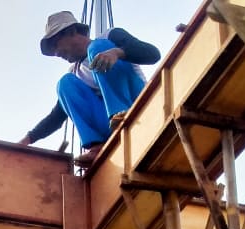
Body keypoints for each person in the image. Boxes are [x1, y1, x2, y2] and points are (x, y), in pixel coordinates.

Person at [19, 11, 160, 165]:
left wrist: (117, 52)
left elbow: (153, 54)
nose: (56, 53)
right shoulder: (76, 73)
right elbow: (57, 116)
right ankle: (96, 145)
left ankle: (121, 114)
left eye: (56, 45)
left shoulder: (109, 37)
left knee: (97, 47)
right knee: (65, 83)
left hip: (137, 105)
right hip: (109, 125)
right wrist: (27, 140)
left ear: (71, 32)